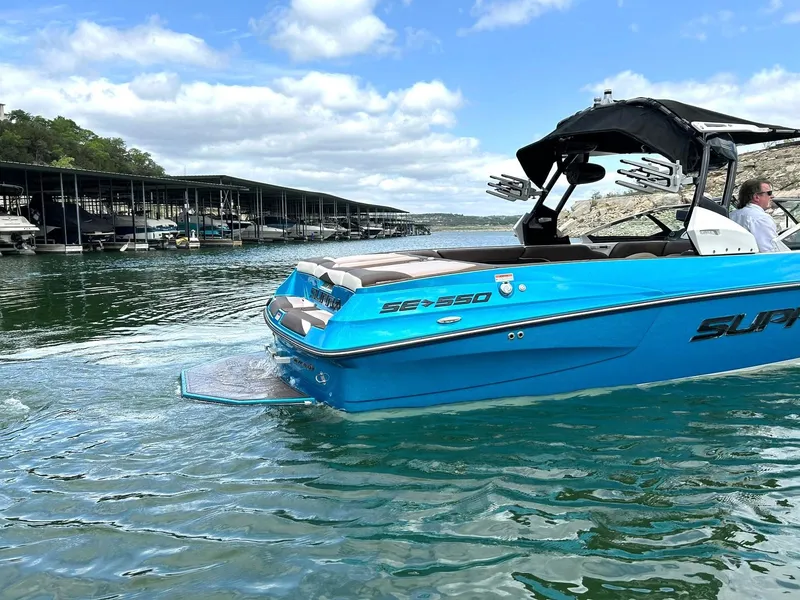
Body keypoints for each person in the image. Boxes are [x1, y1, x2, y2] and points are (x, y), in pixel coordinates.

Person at [729, 177, 789, 253]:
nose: (772, 196)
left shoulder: (731, 215)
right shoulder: (761, 218)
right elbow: (770, 250)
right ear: (756, 197)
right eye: (769, 193)